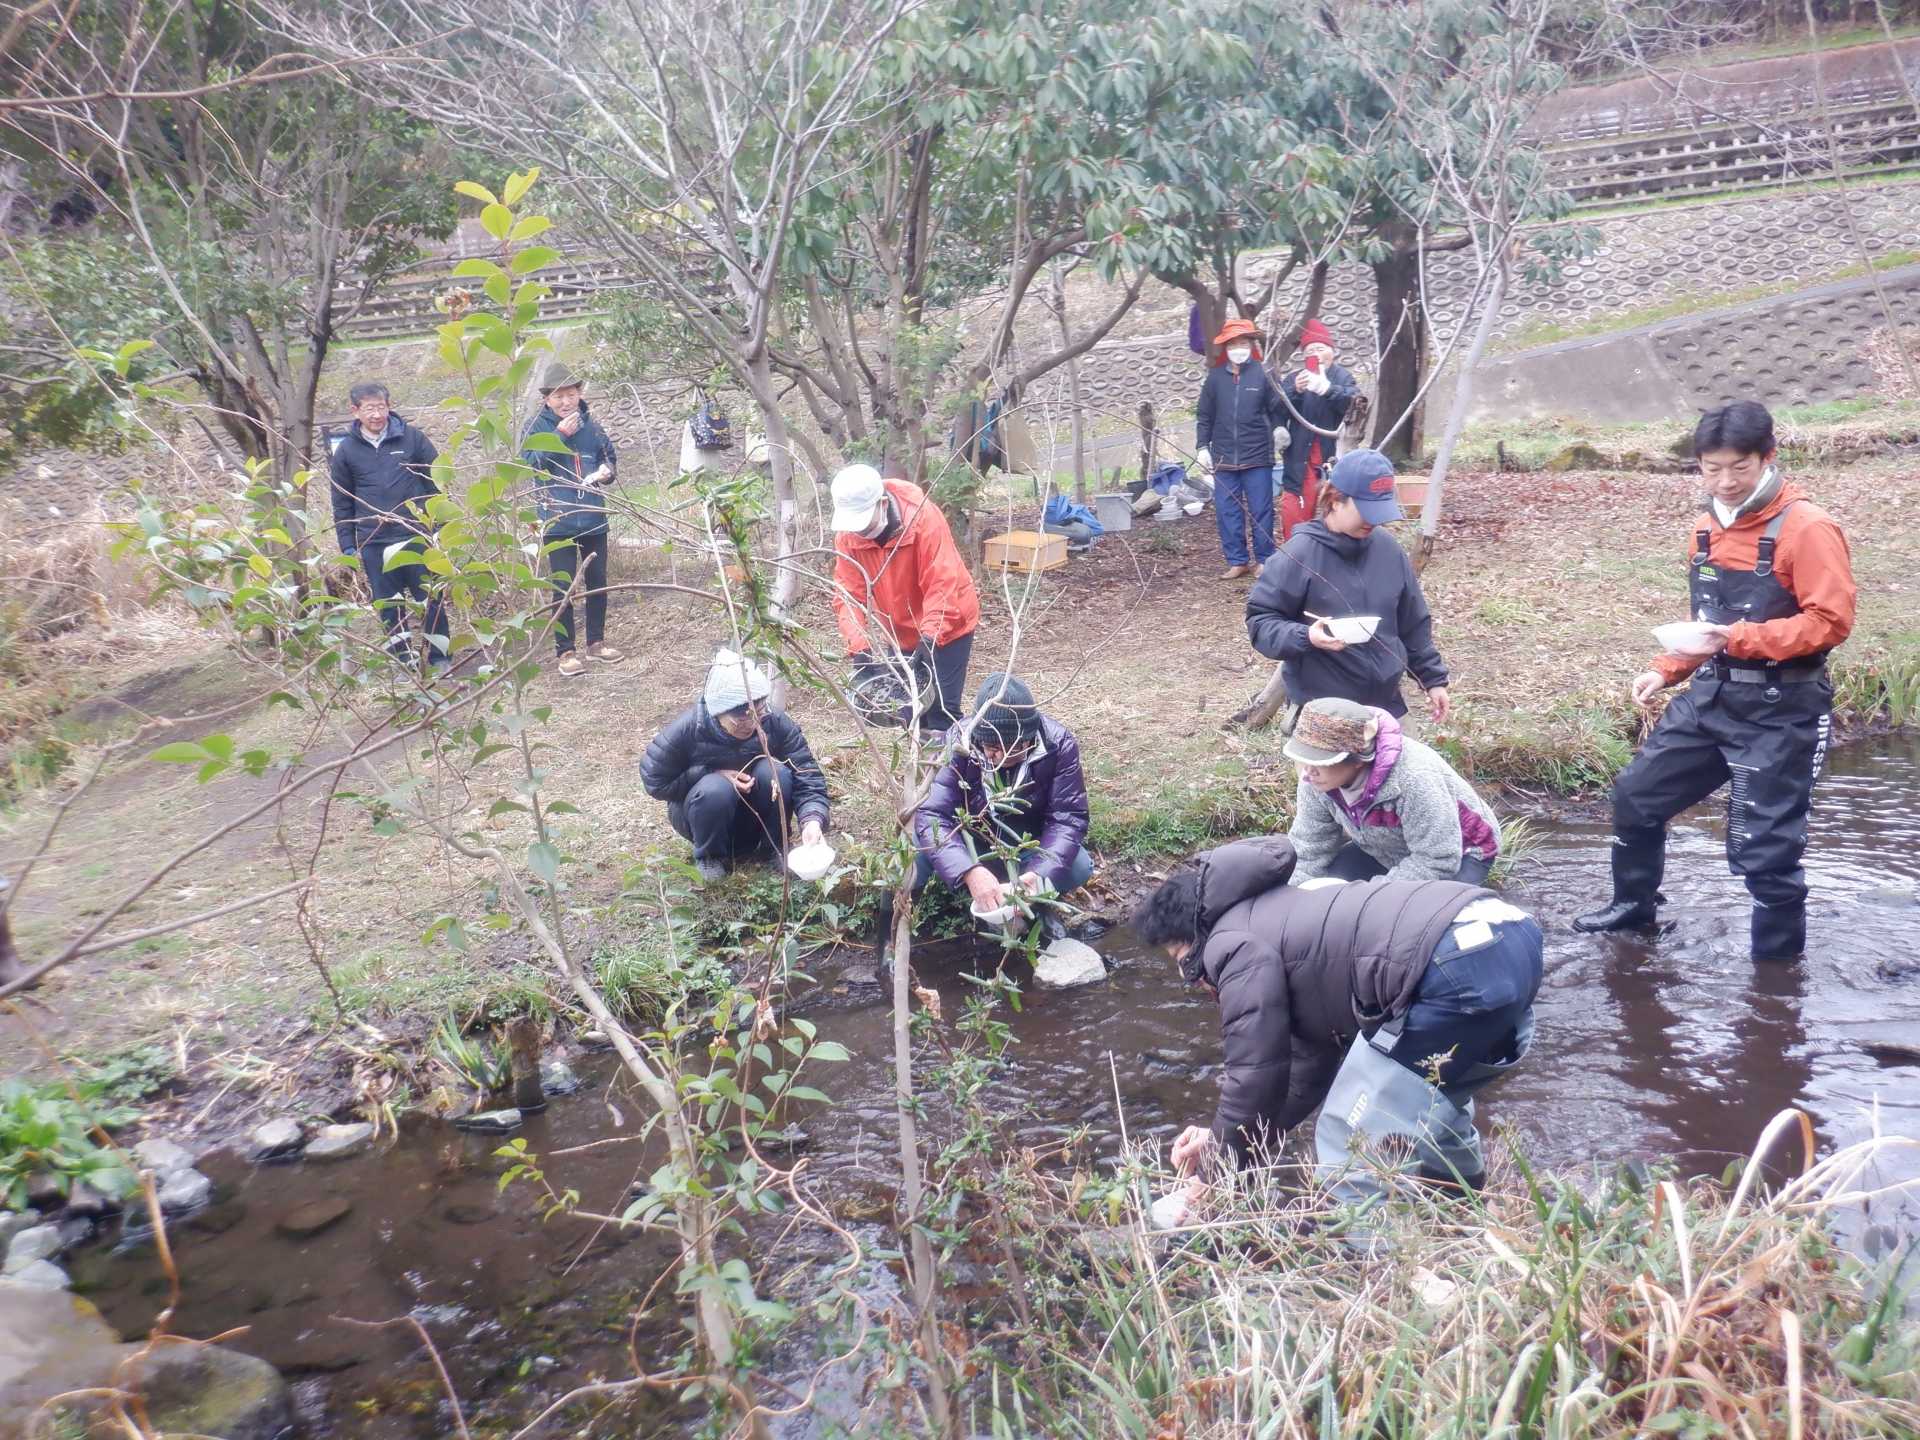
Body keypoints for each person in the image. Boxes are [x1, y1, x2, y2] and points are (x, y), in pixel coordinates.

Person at [1574, 401, 1855, 963]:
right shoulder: (1705, 529)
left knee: (1765, 853)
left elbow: (1831, 622)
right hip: (1712, 699)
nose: (1725, 482)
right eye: (1711, 469)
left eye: (1739, 467)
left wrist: (1739, 638)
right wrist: (1666, 668)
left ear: (1767, 457)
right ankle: (1634, 908)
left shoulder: (1808, 528)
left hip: (1784, 710)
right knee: (1636, 797)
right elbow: (1706, 625)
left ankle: (1776, 980)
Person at [1134, 837, 1541, 1213]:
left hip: (1452, 960)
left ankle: (1374, 1257)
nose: (1191, 978)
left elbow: (1253, 1074)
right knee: (1435, 1099)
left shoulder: (1228, 943)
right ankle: (1464, 1217)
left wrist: (1210, 1175)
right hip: (1508, 936)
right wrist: (1227, 1140)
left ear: (1197, 932)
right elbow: (1304, 1070)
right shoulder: (1283, 913)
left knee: (1347, 1133)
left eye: (1184, 962)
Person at [1245, 449, 1450, 726]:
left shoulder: (1388, 550)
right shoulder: (1297, 555)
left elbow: (1413, 623)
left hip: (1387, 706)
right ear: (1334, 499)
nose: (1374, 520)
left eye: (1380, 511)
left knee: (1409, 756)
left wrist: (1432, 680)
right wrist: (1306, 636)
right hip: (1322, 710)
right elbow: (1261, 623)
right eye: (1366, 511)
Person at [640, 648, 830, 883]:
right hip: (704, 817)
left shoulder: (774, 722)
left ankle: (775, 847)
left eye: (758, 713)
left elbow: (806, 772)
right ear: (717, 711)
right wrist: (708, 773)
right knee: (715, 788)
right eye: (741, 718)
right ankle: (710, 857)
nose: (752, 724)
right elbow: (655, 782)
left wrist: (812, 818)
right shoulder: (687, 730)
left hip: (755, 817)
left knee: (776, 773)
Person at [913, 672, 1094, 911]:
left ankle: (1033, 907)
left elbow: (1067, 819)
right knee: (914, 851)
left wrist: (1038, 875)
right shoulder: (958, 742)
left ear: (1029, 737)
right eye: (991, 746)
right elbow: (932, 815)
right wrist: (968, 870)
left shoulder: (1058, 745)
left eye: (1012, 747)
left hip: (1026, 842)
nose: (999, 756)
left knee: (1079, 866)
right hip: (973, 840)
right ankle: (896, 919)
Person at [830, 463, 980, 733]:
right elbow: (848, 595)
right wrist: (859, 647)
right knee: (909, 708)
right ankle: (918, 757)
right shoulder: (847, 536)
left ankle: (949, 757)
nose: (859, 531)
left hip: (949, 622)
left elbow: (942, 583)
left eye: (864, 522)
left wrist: (930, 637)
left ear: (882, 504)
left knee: (941, 709)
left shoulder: (922, 520)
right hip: (899, 631)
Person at [1285, 697, 1501, 885]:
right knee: (1328, 884)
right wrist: (1292, 895)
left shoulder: (1414, 778)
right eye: (1304, 758)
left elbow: (1438, 860)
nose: (1308, 772)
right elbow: (1309, 848)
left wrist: (1374, 895)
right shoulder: (1315, 781)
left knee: (1422, 915)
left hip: (1461, 851)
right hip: (1386, 847)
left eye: (1320, 761)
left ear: (1359, 759)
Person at [329, 381, 447, 668]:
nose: (376, 415)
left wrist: (438, 527)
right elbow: (342, 501)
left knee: (431, 599)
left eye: (381, 407)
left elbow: (437, 483)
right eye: (369, 409)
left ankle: (440, 658)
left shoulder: (412, 438)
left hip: (416, 535)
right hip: (374, 541)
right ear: (355, 411)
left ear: (389, 406)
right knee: (389, 606)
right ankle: (404, 661)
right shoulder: (346, 451)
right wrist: (348, 545)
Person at [523, 362, 624, 678]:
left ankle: (596, 643)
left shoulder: (592, 425)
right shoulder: (536, 428)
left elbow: (608, 456)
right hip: (558, 519)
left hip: (593, 516)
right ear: (546, 399)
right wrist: (559, 436)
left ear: (579, 394)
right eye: (558, 397)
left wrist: (607, 472)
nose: (565, 402)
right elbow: (531, 464)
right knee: (563, 587)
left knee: (598, 582)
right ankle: (565, 651)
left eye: (570, 395)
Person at [1195, 317, 1289, 579]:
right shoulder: (1215, 378)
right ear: (1226, 348)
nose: (1239, 349)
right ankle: (1237, 560)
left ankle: (1264, 559)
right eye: (1233, 344)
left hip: (1257, 454)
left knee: (1261, 509)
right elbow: (1205, 415)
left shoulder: (1264, 373)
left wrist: (1279, 429)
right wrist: (1202, 446)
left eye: (1243, 343)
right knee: (1227, 511)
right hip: (1224, 457)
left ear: (1251, 346)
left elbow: (1278, 408)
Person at [1275, 318, 1360, 543]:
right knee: (1294, 510)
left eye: (1321, 348)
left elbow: (1354, 404)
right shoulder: (1295, 378)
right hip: (1299, 457)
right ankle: (1296, 553)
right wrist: (1295, 391)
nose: (1316, 354)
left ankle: (1332, 553)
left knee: (1334, 509)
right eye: (1310, 351)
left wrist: (1328, 389)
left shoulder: (1342, 377)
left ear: (1332, 351)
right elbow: (1276, 408)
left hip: (1332, 455)